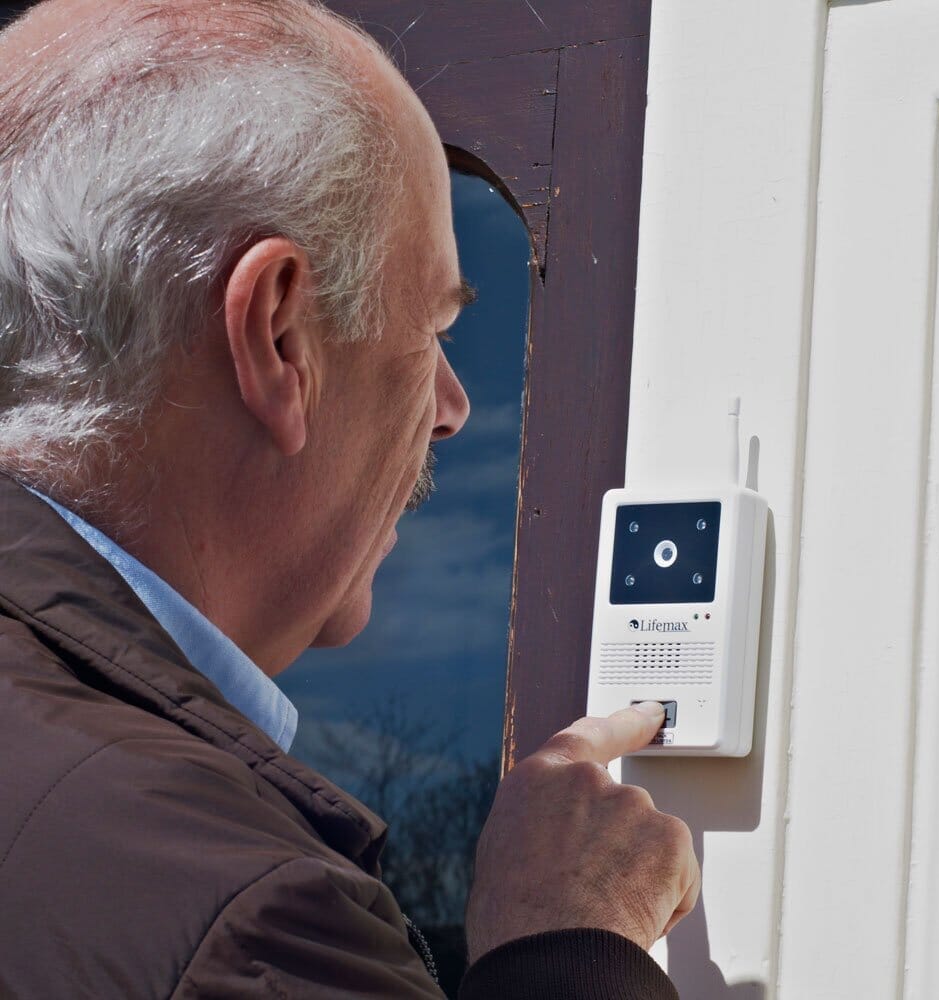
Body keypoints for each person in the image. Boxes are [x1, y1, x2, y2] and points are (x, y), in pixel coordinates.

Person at [0, 1, 701, 997]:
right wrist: (569, 947)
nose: (453, 408)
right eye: (434, 328)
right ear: (279, 338)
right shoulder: (241, 918)